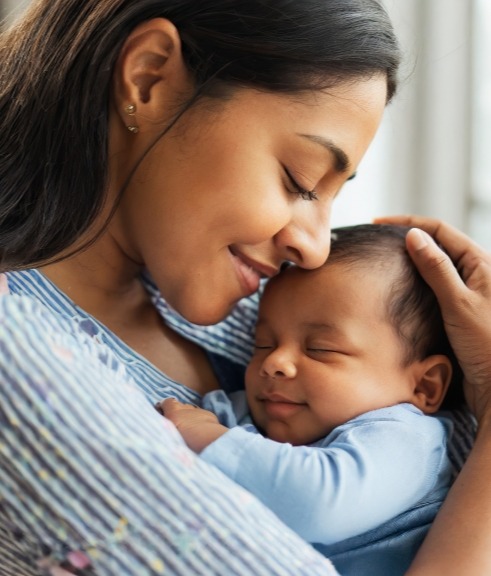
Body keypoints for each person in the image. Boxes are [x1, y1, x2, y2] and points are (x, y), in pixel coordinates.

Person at [0, 0, 491, 575]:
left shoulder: (262, 302)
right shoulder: (22, 358)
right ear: (149, 75)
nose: (315, 247)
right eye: (299, 180)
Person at [161, 223, 466, 576]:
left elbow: (318, 503)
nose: (274, 362)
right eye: (263, 344)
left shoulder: (407, 438)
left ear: (425, 387)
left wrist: (211, 438)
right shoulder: (255, 415)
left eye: (320, 349)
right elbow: (195, 421)